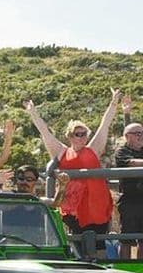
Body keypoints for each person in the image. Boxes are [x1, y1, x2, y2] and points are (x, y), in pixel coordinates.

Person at [24, 90, 119, 238]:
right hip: (73, 206)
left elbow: (105, 124)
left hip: (96, 204)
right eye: (77, 134)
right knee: (77, 239)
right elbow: (45, 132)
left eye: (83, 134)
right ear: (69, 136)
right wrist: (33, 113)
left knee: (99, 241)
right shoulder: (62, 151)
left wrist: (114, 102)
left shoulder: (94, 149)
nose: (80, 137)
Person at [114, 122, 143, 258]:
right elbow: (130, 162)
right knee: (126, 239)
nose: (141, 136)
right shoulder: (121, 151)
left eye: (142, 133)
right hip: (129, 201)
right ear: (127, 136)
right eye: (137, 133)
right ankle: (125, 269)